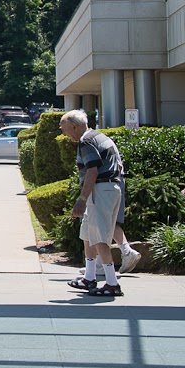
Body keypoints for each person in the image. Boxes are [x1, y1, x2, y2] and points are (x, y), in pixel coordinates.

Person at [59, 109, 127, 298]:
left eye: (65, 130)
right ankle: (89, 277)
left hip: (101, 190)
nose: (65, 135)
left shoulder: (86, 141)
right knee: (89, 233)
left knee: (99, 236)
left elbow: (92, 171)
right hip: (110, 188)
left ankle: (112, 283)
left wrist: (81, 199)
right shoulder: (99, 137)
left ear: (74, 126)